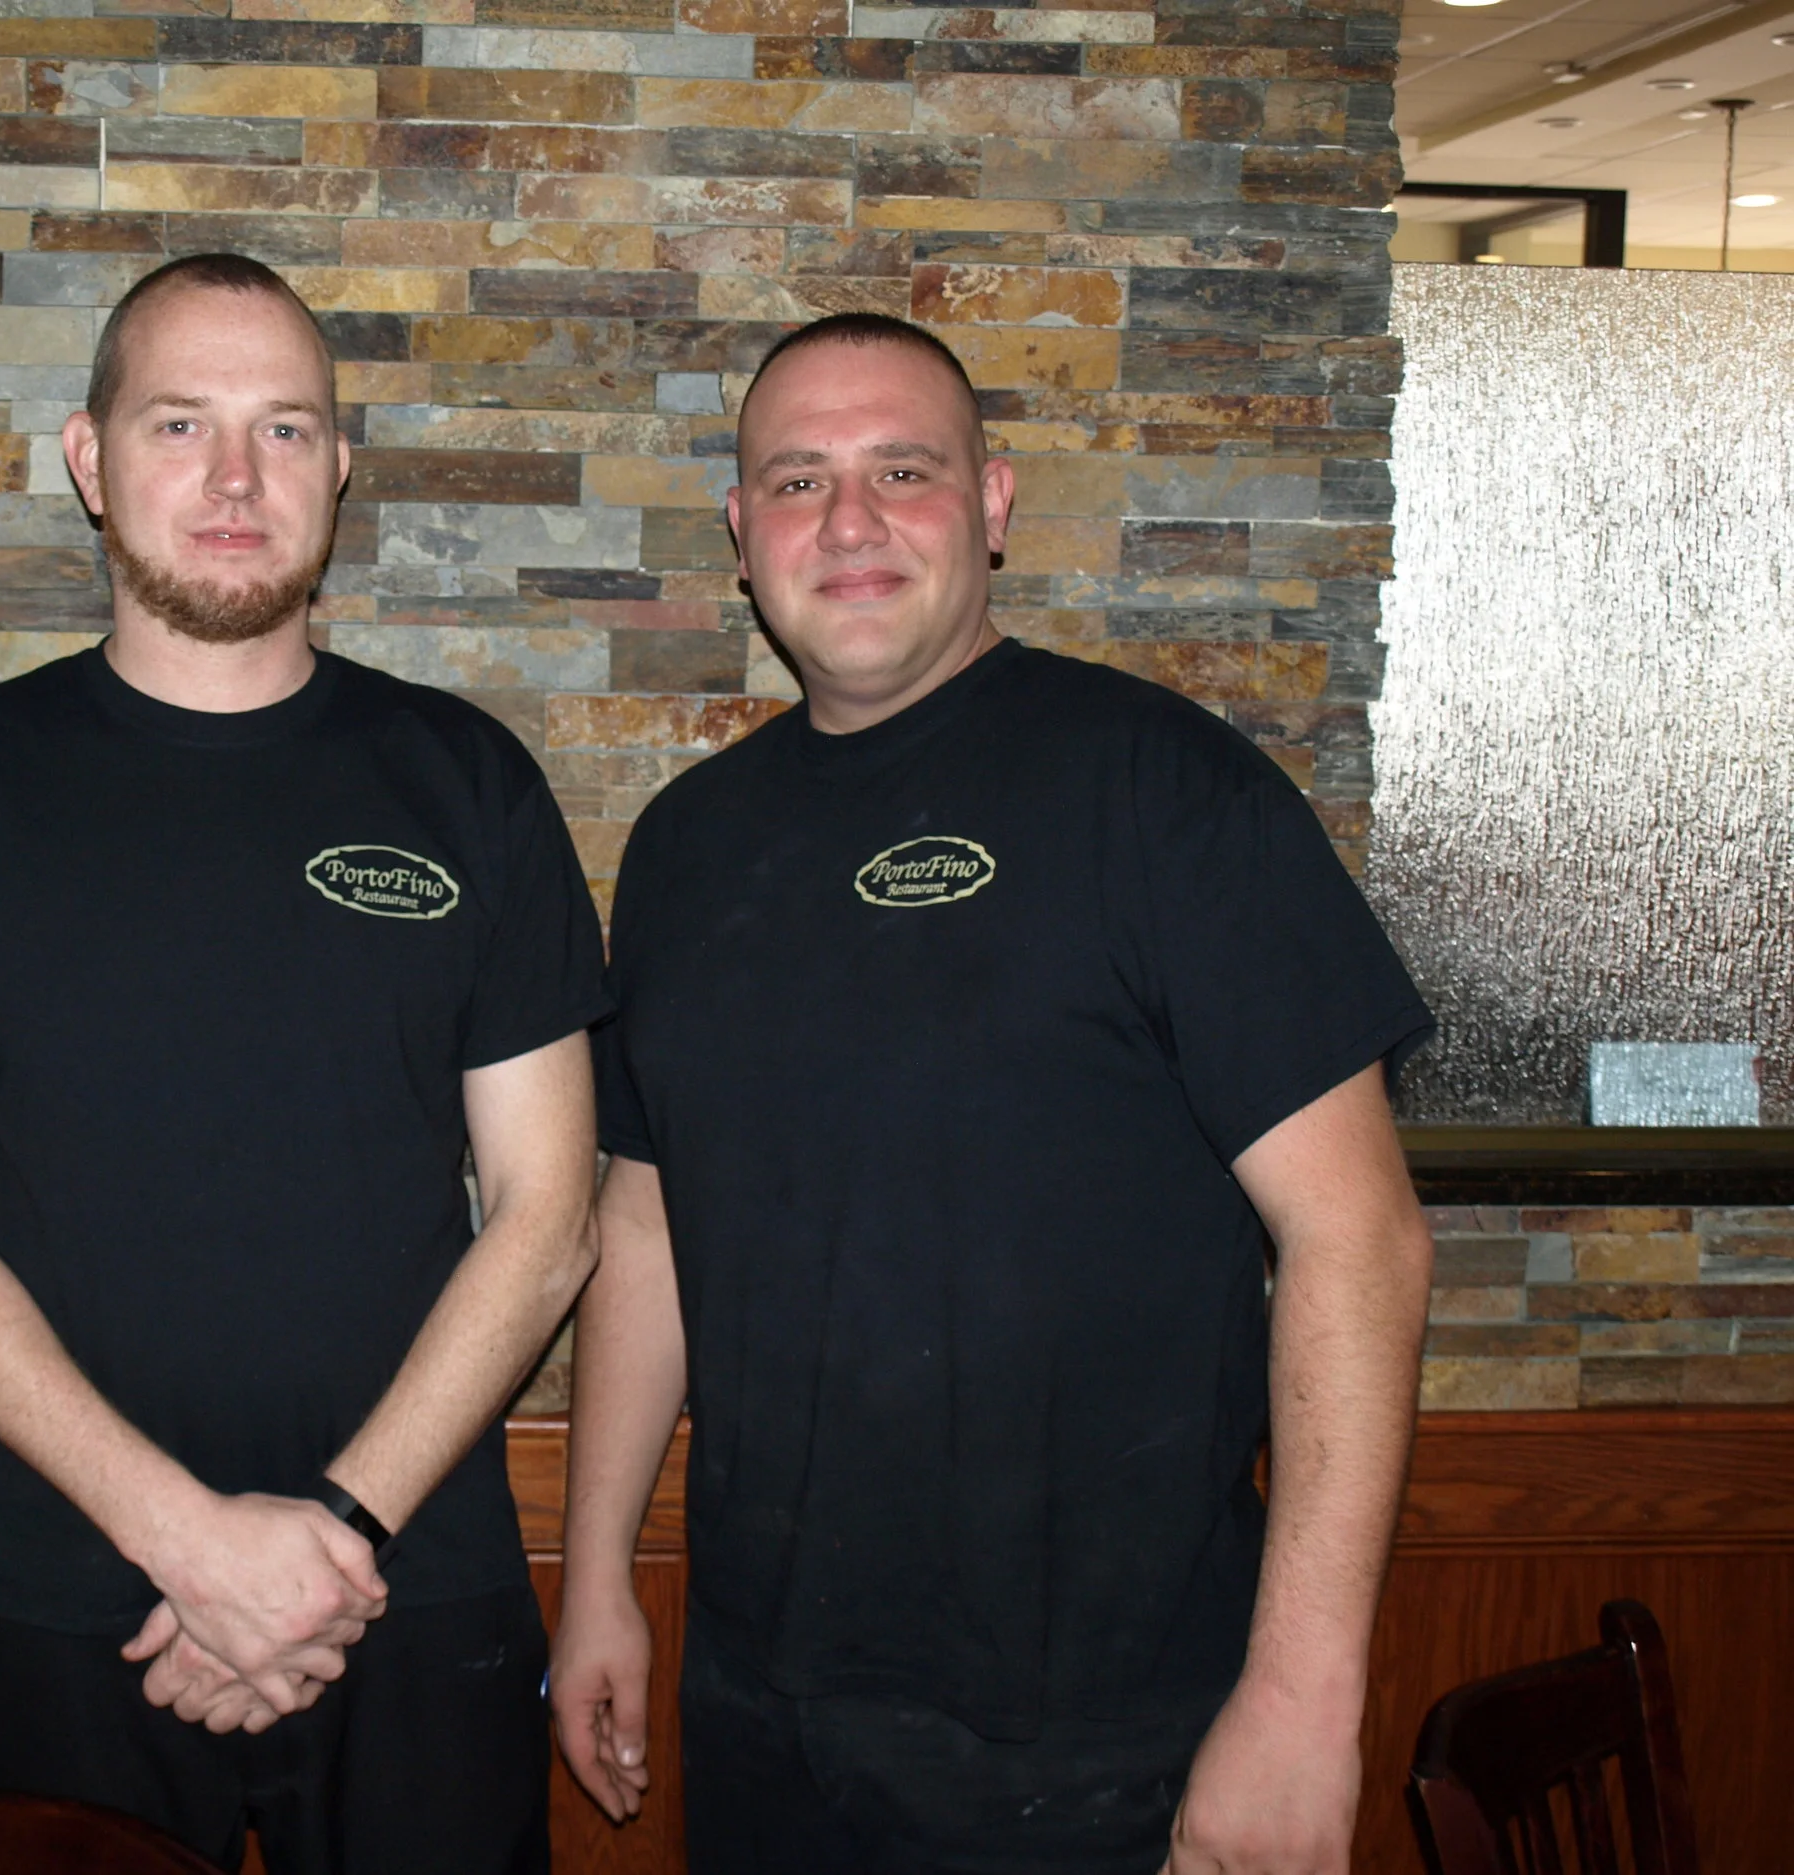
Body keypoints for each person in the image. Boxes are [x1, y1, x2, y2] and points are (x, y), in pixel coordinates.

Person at [549, 312, 1437, 1875]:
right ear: (742, 533)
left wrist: (1303, 1702)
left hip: (1108, 1736)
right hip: (770, 1709)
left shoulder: (1167, 794)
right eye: (800, 479)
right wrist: (599, 1567)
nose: (853, 521)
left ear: (998, 501)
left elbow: (1363, 1243)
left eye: (906, 469)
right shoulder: (689, 846)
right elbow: (647, 1212)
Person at [0, 254, 606, 1875]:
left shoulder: (468, 782)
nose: (238, 479)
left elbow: (548, 1212)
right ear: (91, 461)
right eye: (182, 424)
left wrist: (335, 1537)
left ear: (341, 465)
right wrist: (191, 1541)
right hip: (65, 1589)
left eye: (285, 431)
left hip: (410, 1585)